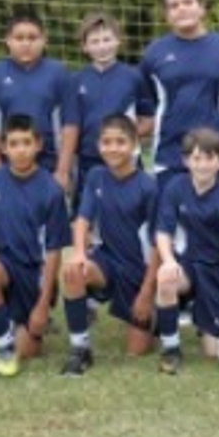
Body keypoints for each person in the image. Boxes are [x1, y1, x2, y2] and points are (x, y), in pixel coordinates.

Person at [59, 114, 160, 376]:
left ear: (135, 144)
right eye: (106, 142)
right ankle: (80, 349)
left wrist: (146, 293)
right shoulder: (96, 176)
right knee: (73, 270)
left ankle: (156, 315)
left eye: (120, 142)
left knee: (136, 351)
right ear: (98, 145)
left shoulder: (148, 187)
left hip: (137, 274)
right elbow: (82, 220)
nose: (113, 148)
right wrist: (79, 253)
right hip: (107, 262)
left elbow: (158, 246)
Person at [0, 114, 70, 377]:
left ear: (38, 144)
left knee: (28, 351)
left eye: (26, 142)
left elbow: (54, 251)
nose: (21, 150)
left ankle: (18, 321)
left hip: (34, 273)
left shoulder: (51, 190)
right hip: (3, 264)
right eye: (14, 144)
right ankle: (3, 344)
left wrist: (43, 304)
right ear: (3, 147)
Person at [153, 128, 219, 374]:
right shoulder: (176, 187)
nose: (203, 165)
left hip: (215, 270)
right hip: (187, 264)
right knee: (165, 277)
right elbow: (163, 232)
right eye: (197, 158)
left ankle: (207, 317)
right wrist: (168, 260)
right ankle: (171, 348)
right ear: (186, 160)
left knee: (213, 352)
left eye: (210, 158)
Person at [140, 0, 219, 190]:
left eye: (188, 2)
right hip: (169, 155)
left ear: (202, 7)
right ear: (166, 15)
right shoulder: (154, 53)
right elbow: (148, 105)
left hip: (215, 156)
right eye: (174, 6)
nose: (181, 9)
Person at [0, 7, 79, 191]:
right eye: (19, 38)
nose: (26, 43)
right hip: (5, 167)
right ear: (8, 40)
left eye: (32, 38)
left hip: (49, 167)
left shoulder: (59, 73)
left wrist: (62, 171)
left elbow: (71, 124)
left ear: (44, 40)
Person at [69, 12, 154, 212]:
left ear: (118, 41)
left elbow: (148, 120)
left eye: (107, 39)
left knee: (129, 212)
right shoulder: (75, 80)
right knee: (86, 214)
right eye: (95, 41)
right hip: (88, 160)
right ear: (84, 46)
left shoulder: (134, 77)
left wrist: (123, 139)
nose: (102, 46)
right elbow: (71, 125)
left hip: (126, 159)